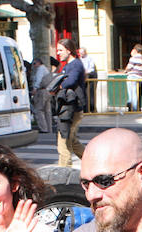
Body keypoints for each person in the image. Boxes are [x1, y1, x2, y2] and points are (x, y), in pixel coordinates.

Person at [53, 38, 86, 167]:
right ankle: (93, 162)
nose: (58, 53)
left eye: (60, 50)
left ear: (69, 50)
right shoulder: (68, 65)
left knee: (63, 143)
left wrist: (57, 87)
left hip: (72, 109)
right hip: (69, 108)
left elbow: (71, 81)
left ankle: (64, 172)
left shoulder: (75, 65)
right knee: (72, 141)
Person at [30, 58, 53, 133]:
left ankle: (43, 128)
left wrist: (35, 88)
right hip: (47, 91)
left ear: (38, 63)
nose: (33, 66)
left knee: (38, 110)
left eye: (34, 64)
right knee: (47, 111)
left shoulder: (40, 69)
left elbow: (38, 79)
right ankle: (49, 128)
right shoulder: (45, 69)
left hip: (41, 91)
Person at [124, 44, 142, 111]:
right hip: (140, 77)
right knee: (136, 92)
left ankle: (134, 108)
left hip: (132, 77)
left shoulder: (133, 58)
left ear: (135, 50)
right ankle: (134, 107)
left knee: (132, 92)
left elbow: (128, 68)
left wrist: (125, 71)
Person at [78, 47, 98, 112]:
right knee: (84, 93)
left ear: (85, 52)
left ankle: (92, 108)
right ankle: (85, 109)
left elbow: (91, 68)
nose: (81, 54)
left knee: (91, 93)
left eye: (82, 53)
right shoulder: (79, 59)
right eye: (80, 53)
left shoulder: (89, 58)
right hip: (83, 77)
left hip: (90, 77)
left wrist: (86, 72)